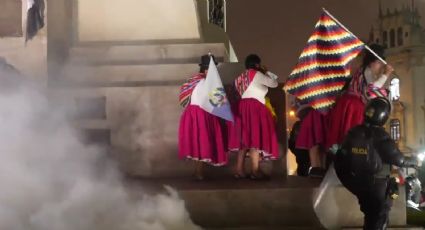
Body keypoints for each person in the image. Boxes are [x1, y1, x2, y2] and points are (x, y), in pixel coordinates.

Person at [335, 97, 418, 230]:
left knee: (371, 215)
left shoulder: (354, 132)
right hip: (377, 183)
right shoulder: (380, 135)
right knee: (379, 216)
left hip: (359, 182)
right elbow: (399, 160)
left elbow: (341, 157)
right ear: (383, 116)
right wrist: (414, 160)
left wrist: (349, 181)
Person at [326, 44, 394, 152]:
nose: (381, 67)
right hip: (355, 107)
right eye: (380, 63)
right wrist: (386, 74)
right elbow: (371, 91)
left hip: (348, 105)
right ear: (375, 62)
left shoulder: (362, 70)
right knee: (355, 139)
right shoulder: (368, 71)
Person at [228, 54, 279, 180]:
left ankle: (239, 170)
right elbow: (274, 84)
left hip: (241, 108)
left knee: (244, 142)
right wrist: (267, 71)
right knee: (255, 140)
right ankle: (255, 171)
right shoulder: (256, 74)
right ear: (257, 64)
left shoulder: (241, 77)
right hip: (254, 108)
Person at [178, 54, 227, 180]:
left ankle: (197, 171)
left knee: (196, 142)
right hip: (202, 114)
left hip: (191, 113)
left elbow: (183, 98)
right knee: (203, 142)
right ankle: (199, 172)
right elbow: (219, 102)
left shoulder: (192, 80)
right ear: (207, 70)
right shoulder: (209, 83)